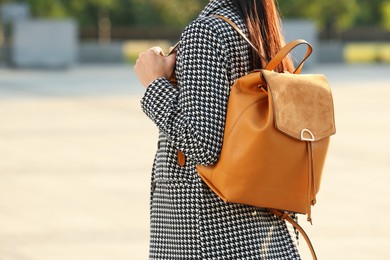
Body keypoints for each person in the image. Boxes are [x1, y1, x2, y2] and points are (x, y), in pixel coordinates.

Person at [134, 0, 300, 259]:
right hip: (266, 237)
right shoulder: (259, 29)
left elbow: (202, 145)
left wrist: (154, 83)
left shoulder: (206, 33)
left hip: (207, 239)